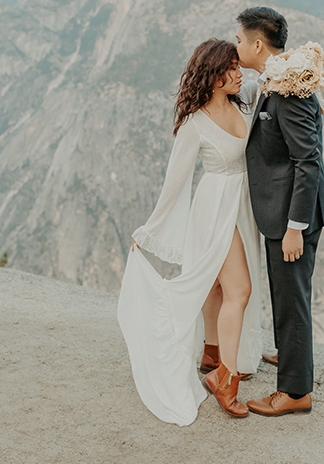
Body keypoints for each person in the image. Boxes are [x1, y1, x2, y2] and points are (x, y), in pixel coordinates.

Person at [117, 39, 263, 426]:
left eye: (238, 65)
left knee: (216, 287)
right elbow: (175, 184)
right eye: (231, 68)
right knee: (239, 290)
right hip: (216, 209)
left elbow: (269, 76)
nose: (239, 73)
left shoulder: (244, 98)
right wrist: (149, 230)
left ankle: (212, 352)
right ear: (213, 76)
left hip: (242, 204)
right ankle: (225, 379)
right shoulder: (195, 125)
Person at [234, 6, 324, 416]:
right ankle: (293, 357)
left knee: (291, 299)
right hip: (284, 210)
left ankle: (294, 392)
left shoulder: (289, 89)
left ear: (257, 44)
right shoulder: (273, 80)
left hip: (294, 215)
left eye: (240, 39)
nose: (236, 45)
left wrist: (295, 227)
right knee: (286, 294)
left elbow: (307, 161)